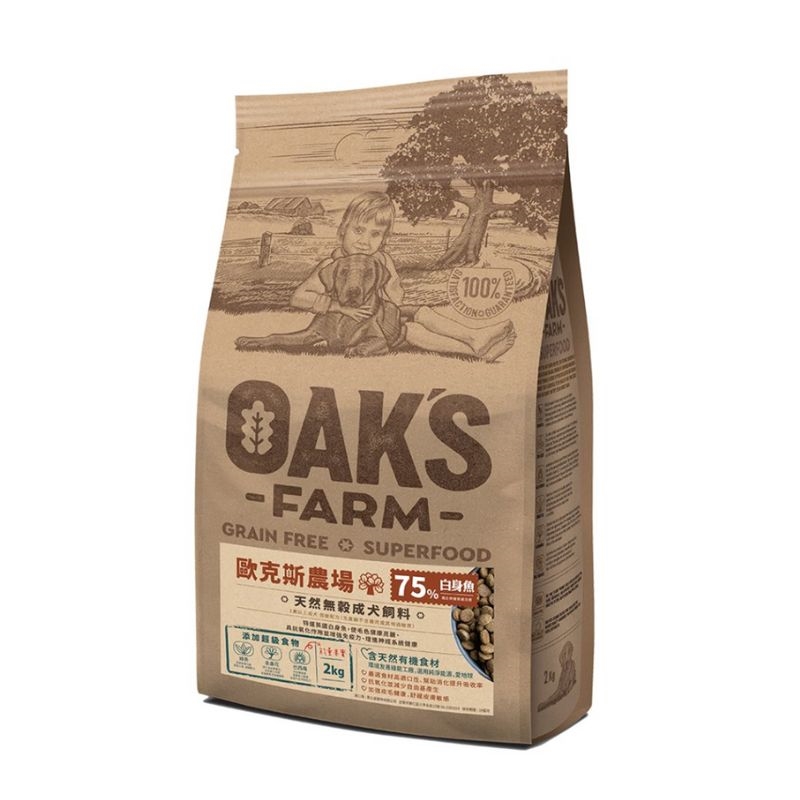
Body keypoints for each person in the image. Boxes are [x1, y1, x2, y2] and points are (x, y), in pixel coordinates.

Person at [290, 191, 516, 361]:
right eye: (358, 230)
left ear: (384, 239)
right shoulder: (332, 264)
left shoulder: (381, 261)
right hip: (356, 329)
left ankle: (473, 336)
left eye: (375, 234)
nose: (364, 241)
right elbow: (298, 298)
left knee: (420, 312)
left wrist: (387, 288)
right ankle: (473, 350)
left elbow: (396, 297)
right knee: (412, 331)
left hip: (381, 318)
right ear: (342, 231)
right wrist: (331, 305)